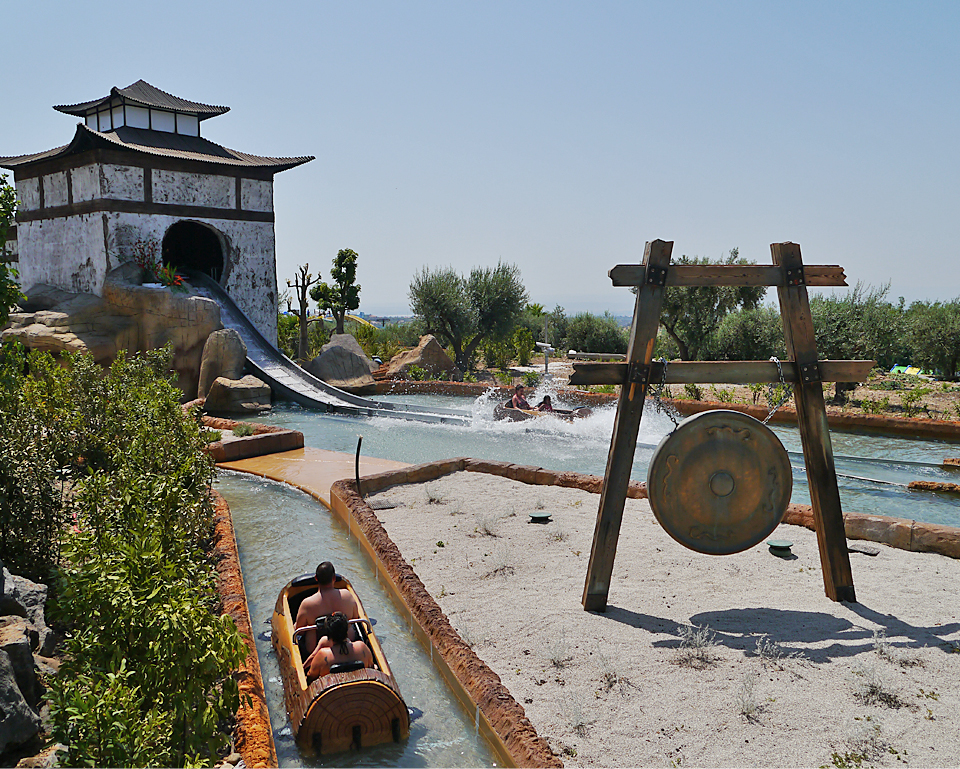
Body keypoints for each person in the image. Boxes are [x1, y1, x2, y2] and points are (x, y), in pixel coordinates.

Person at [295, 562, 361, 654]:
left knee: (305, 628)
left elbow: (300, 631)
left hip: (314, 647)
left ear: (316, 578)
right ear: (334, 578)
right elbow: (355, 618)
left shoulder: (307, 604)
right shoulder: (347, 596)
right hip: (347, 642)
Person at [305, 611, 374, 681]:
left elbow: (310, 677)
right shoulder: (362, 648)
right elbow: (371, 667)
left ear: (328, 634)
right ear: (346, 631)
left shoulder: (322, 655)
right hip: (360, 686)